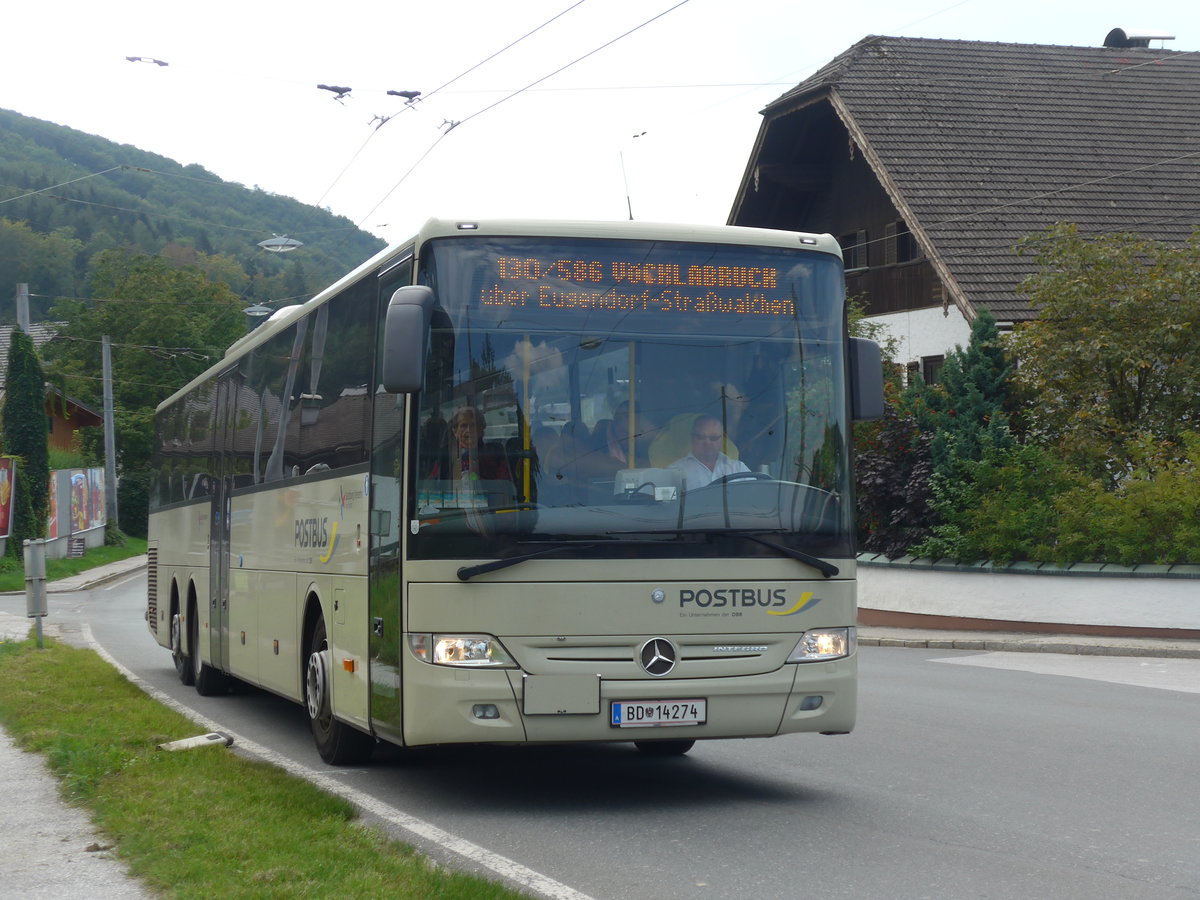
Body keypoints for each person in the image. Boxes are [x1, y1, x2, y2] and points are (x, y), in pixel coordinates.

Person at [429, 406, 511, 482]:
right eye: (463, 426)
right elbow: (432, 484)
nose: (468, 430)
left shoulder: (495, 454)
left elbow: (504, 485)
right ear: (455, 431)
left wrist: (477, 479)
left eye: (473, 425)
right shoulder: (445, 455)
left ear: (482, 430)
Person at [668, 414, 749, 488]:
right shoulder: (675, 472)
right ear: (693, 438)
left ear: (722, 440)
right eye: (701, 437)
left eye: (713, 438)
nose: (707, 443)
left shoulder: (739, 469)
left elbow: (754, 493)